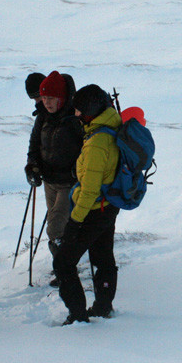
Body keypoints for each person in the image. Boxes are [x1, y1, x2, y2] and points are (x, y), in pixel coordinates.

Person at [53, 84, 121, 325]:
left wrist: (74, 222)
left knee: (63, 262)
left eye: (80, 111)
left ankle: (78, 315)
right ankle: (103, 306)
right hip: (108, 206)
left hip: (93, 210)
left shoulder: (97, 143)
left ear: (92, 110)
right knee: (102, 257)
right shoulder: (110, 125)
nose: (77, 115)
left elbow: (89, 190)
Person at [24, 71, 83, 286]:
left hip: (70, 182)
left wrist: (78, 173)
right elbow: (34, 145)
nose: (46, 102)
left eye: (51, 98)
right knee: (57, 226)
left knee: (56, 227)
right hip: (49, 181)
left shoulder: (75, 118)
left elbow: (87, 149)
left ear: (61, 97)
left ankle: (65, 269)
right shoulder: (43, 116)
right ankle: (62, 267)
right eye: (44, 98)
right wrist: (32, 166)